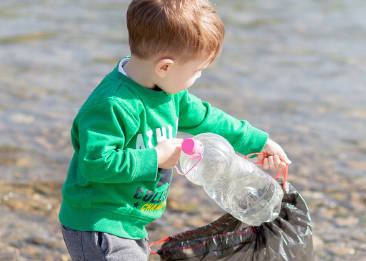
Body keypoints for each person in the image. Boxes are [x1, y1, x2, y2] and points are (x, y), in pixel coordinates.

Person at [58, 0, 292, 260]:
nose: (199, 77)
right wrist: (155, 157)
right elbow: (95, 162)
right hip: (98, 223)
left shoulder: (169, 93)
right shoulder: (113, 105)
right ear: (165, 67)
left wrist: (259, 141)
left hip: (131, 221)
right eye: (197, 70)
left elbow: (208, 117)